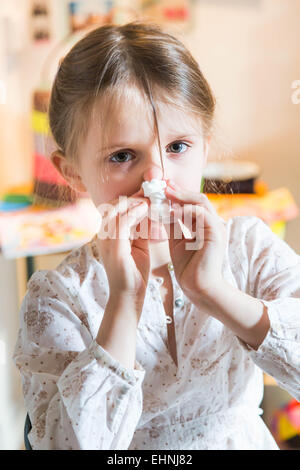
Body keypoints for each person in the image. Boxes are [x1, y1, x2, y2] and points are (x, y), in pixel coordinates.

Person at [13, 21, 300, 450]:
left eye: (177, 147)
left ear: (204, 146)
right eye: (122, 156)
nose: (155, 179)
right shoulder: (57, 298)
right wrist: (123, 302)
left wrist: (215, 292)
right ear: (73, 172)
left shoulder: (250, 248)